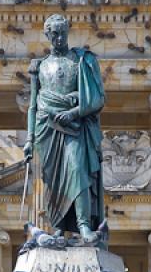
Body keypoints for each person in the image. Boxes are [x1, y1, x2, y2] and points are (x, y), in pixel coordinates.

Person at [23, 14, 105, 242]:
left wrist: (73, 112)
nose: (59, 38)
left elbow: (97, 98)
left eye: (63, 33)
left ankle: (84, 224)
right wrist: (29, 139)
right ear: (47, 35)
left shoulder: (83, 61)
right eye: (55, 34)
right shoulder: (39, 67)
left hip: (75, 126)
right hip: (46, 129)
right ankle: (58, 225)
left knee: (78, 170)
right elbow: (33, 105)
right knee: (53, 181)